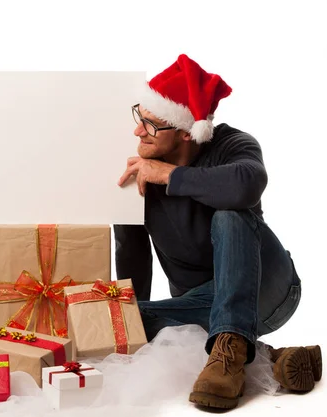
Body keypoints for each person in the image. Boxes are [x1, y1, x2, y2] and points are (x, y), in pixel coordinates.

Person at [114, 54, 322, 410]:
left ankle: (230, 342)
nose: (137, 131)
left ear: (184, 132)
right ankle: (267, 359)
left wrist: (168, 175)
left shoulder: (232, 145)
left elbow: (246, 186)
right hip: (201, 303)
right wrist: (132, 316)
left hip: (268, 287)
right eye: (139, 118)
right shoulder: (139, 169)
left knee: (230, 213)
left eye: (150, 125)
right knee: (119, 319)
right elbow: (131, 253)